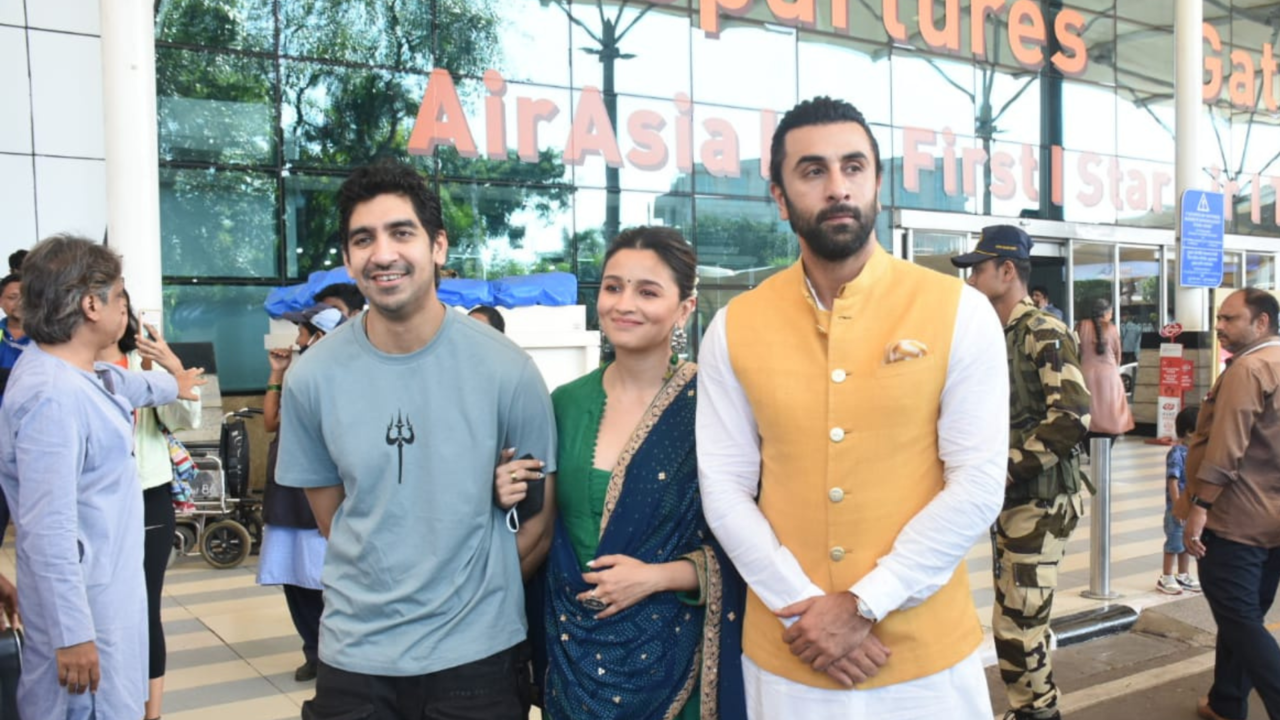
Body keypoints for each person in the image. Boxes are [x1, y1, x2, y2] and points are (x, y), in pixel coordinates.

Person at [697, 96, 1008, 719]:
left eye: (853, 167)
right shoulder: (734, 326)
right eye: (812, 171)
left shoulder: (958, 311)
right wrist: (807, 611)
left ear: (878, 185)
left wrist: (864, 603)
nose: (837, 187)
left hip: (923, 659)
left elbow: (977, 484)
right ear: (781, 198)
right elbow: (725, 486)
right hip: (789, 656)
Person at [276, 160, 557, 720]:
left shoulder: (507, 370)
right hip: (354, 657)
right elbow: (334, 520)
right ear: (350, 258)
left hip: (477, 659)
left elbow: (538, 524)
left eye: (401, 232)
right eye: (363, 239)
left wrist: (469, 595)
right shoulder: (311, 378)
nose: (382, 253)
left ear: (438, 246)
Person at [495, 227, 745, 719]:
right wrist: (505, 493)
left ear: (684, 308)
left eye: (647, 291)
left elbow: (748, 539)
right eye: (613, 287)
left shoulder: (713, 405)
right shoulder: (564, 403)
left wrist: (658, 577)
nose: (624, 303)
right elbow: (540, 529)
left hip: (676, 657)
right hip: (571, 655)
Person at [0, 234, 203, 720]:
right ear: (92, 304)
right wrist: (72, 634)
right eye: (120, 294)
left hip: (103, 594)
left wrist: (173, 383)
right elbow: (48, 530)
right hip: (84, 609)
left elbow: (122, 382)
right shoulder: (54, 396)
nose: (124, 310)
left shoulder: (72, 372)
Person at [951, 225, 1092, 720]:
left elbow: (1073, 416)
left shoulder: (1041, 330)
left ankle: (1037, 713)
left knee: (1017, 626)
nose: (970, 280)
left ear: (1006, 271)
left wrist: (1007, 469)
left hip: (1041, 501)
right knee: (1017, 618)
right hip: (1018, 502)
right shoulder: (999, 332)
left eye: (977, 270)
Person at [96, 290, 203, 720]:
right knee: (102, 607)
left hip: (148, 495)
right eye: (112, 307)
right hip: (99, 502)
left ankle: (150, 711)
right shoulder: (72, 370)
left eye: (126, 310)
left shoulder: (143, 368)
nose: (120, 317)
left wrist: (171, 367)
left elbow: (185, 420)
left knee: (144, 607)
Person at [1177, 287, 1280, 720]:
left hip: (1234, 519)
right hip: (1271, 521)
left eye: (1230, 319)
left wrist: (1199, 506)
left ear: (1261, 324)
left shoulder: (1248, 369)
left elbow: (1226, 447)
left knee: (1238, 618)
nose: (1219, 326)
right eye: (1219, 318)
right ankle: (1226, 701)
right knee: (1246, 615)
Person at [260, 304, 342, 683]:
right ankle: (313, 651)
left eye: (303, 333)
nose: (297, 340)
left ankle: (333, 654)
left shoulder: (338, 374)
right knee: (294, 574)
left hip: (319, 487)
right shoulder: (297, 373)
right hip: (286, 487)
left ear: (321, 337)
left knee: (324, 576)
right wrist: (278, 374)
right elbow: (270, 422)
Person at [1158, 405, 1201, 596]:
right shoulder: (1177, 453)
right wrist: (1178, 507)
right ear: (1190, 432)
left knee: (1186, 542)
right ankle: (1166, 576)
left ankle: (1183, 574)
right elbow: (1173, 482)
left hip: (1191, 507)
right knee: (1174, 542)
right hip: (1177, 509)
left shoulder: (1195, 452)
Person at [1076, 298, 1134, 438]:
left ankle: (1091, 452)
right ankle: (1104, 451)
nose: (1112, 316)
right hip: (1110, 378)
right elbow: (1118, 356)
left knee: (1087, 415)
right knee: (1112, 415)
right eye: (1111, 312)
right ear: (1106, 313)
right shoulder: (1112, 328)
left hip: (1085, 376)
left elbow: (1074, 352)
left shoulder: (1081, 326)